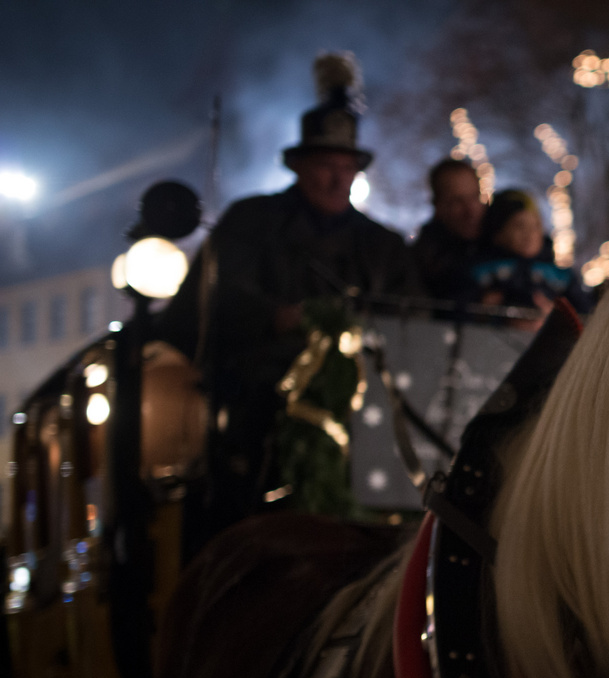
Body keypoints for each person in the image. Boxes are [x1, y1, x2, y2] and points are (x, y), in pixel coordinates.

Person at [154, 52, 419, 539]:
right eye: (325, 165)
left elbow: (415, 321)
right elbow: (210, 307)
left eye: (347, 166)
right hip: (263, 403)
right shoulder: (250, 223)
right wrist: (285, 318)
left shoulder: (384, 247)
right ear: (299, 166)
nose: (338, 178)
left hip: (371, 411)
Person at [468, 188, 594, 324]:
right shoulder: (481, 272)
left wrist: (557, 315)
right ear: (498, 233)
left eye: (536, 226)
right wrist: (482, 306)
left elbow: (585, 314)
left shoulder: (561, 277)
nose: (529, 234)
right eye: (519, 226)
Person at [412, 157, 485, 301]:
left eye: (475, 197)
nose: (471, 210)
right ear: (438, 205)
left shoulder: (500, 243)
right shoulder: (422, 260)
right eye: (457, 201)